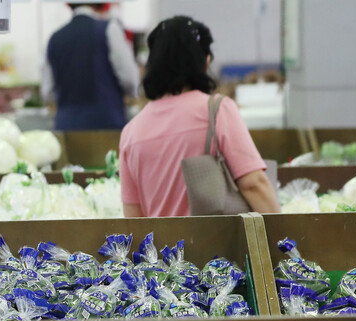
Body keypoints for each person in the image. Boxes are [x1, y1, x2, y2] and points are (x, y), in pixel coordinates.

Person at [118, 17, 279, 218]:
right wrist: (283, 235)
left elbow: (133, 219)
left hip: (160, 248)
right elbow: (254, 184)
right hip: (214, 247)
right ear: (205, 61)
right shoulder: (217, 110)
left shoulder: (131, 132)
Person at [45, 3, 139, 130]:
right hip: (106, 123)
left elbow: (47, 92)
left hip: (66, 125)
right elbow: (130, 79)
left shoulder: (54, 38)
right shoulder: (109, 28)